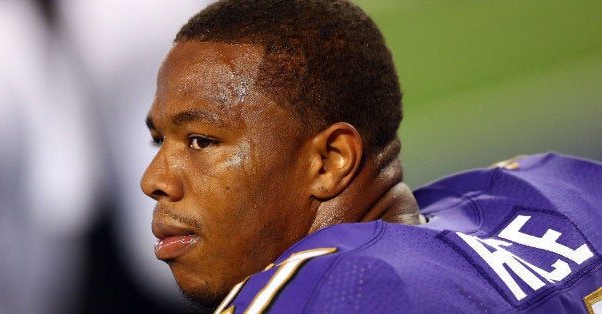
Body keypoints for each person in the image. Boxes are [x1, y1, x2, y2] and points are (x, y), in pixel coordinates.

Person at [140, 0, 602, 312]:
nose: (154, 180)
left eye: (201, 141)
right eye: (159, 141)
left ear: (331, 160)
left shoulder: (332, 289)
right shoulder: (559, 187)